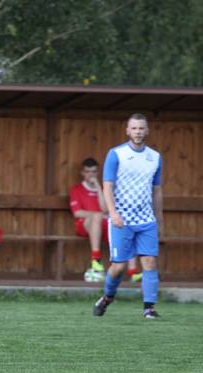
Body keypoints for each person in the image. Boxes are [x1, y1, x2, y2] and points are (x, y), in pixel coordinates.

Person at [93, 113, 163, 319]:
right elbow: (108, 186)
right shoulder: (116, 154)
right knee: (119, 267)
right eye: (134, 128)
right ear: (127, 131)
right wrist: (113, 214)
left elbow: (157, 190)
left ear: (147, 130)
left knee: (150, 262)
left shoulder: (155, 157)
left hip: (146, 220)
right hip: (121, 220)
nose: (138, 132)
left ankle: (149, 308)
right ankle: (107, 297)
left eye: (141, 128)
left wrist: (159, 218)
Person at [69, 157, 140, 283]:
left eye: (94, 171)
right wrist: (98, 215)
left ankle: (133, 272)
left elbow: (105, 209)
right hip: (85, 226)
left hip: (104, 225)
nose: (91, 174)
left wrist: (98, 188)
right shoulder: (77, 189)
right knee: (96, 217)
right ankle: (96, 258)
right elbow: (77, 213)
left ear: (97, 172)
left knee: (127, 227)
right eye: (87, 171)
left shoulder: (103, 188)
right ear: (82, 173)